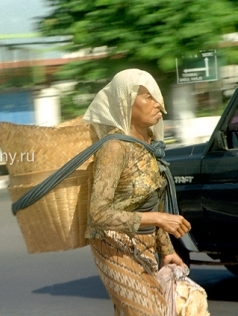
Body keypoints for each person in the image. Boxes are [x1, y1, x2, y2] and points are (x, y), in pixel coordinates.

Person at [82, 69, 192, 316]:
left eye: (157, 97)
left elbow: (155, 202)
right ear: (126, 104)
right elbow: (98, 214)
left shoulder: (151, 144)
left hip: (145, 245)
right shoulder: (114, 148)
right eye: (148, 97)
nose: (158, 105)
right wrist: (158, 219)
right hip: (112, 245)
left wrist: (168, 251)